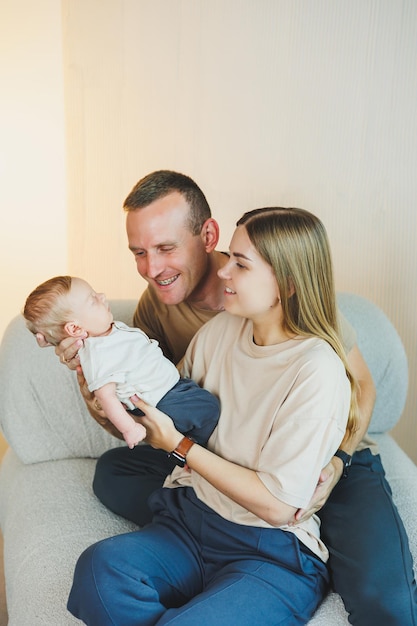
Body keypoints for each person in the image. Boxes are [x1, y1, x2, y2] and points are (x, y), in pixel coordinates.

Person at [54, 171, 417, 625]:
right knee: (101, 554)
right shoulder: (204, 326)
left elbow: (360, 388)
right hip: (209, 494)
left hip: (317, 469)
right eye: (139, 253)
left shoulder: (315, 358)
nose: (151, 268)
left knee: (388, 600)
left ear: (208, 237)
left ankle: (283, 577)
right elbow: (155, 408)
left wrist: (338, 459)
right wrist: (92, 371)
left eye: (165, 248)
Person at [24, 275, 219, 449]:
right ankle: (198, 452)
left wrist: (51, 337)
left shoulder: (108, 331)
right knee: (208, 407)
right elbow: (106, 397)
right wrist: (129, 428)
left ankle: (194, 448)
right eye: (93, 300)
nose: (101, 296)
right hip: (159, 401)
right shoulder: (98, 354)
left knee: (201, 402)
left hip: (170, 387)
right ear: (75, 329)